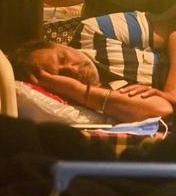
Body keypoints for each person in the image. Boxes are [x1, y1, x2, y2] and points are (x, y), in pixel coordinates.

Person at [11, 10, 176, 122]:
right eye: (62, 74)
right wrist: (82, 93)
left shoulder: (91, 33)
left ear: (59, 44)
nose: (74, 69)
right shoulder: (98, 101)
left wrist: (171, 91)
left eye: (63, 58)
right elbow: (161, 109)